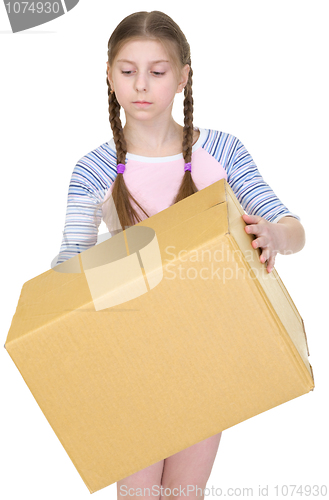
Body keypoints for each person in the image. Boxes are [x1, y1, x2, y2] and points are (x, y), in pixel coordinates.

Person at [56, 10, 305, 500]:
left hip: (208, 349)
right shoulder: (94, 169)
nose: (141, 85)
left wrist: (275, 235)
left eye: (158, 71)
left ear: (184, 76)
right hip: (129, 350)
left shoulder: (223, 152)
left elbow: (293, 229)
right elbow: (68, 271)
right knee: (140, 493)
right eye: (127, 71)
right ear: (109, 76)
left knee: (185, 494)